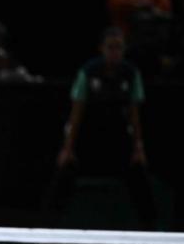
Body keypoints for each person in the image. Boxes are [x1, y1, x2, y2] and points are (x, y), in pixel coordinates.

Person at [43, 26, 157, 230]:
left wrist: (138, 148)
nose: (115, 52)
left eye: (119, 47)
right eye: (110, 47)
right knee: (63, 173)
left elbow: (134, 116)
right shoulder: (87, 72)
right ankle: (49, 229)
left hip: (118, 144)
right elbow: (75, 115)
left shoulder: (131, 74)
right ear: (101, 49)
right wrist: (68, 148)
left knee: (140, 175)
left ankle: (151, 232)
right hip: (87, 143)